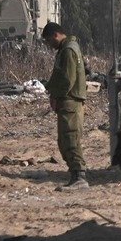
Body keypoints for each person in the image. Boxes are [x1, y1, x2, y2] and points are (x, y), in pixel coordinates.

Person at [42, 22, 88, 189]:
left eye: (48, 40)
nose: (49, 44)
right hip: (68, 100)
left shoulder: (68, 50)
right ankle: (75, 176)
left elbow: (67, 79)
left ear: (56, 35)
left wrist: (56, 94)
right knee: (65, 140)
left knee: (70, 138)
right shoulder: (67, 48)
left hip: (70, 100)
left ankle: (80, 177)